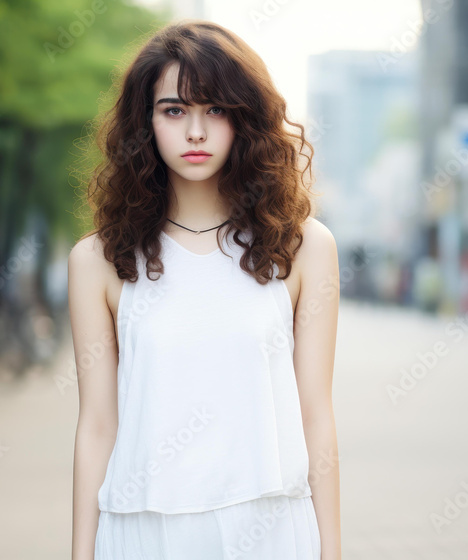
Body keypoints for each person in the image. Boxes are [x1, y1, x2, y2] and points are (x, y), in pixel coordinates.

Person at [68, 20, 341, 560]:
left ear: (245, 119)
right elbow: (97, 425)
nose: (196, 131)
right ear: (145, 123)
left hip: (271, 526)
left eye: (215, 109)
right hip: (141, 529)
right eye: (174, 110)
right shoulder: (98, 260)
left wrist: (330, 549)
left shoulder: (304, 247)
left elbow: (316, 414)